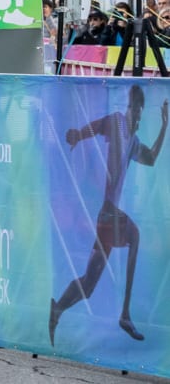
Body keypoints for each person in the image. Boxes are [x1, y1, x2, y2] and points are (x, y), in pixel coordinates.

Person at [49, 85, 167, 346]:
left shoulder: (133, 141)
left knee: (89, 285)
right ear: (129, 109)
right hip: (104, 211)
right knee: (135, 236)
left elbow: (151, 159)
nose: (136, 116)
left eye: (140, 112)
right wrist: (78, 135)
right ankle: (125, 314)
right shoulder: (117, 123)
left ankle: (57, 308)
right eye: (134, 110)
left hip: (106, 216)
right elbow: (97, 126)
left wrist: (164, 126)